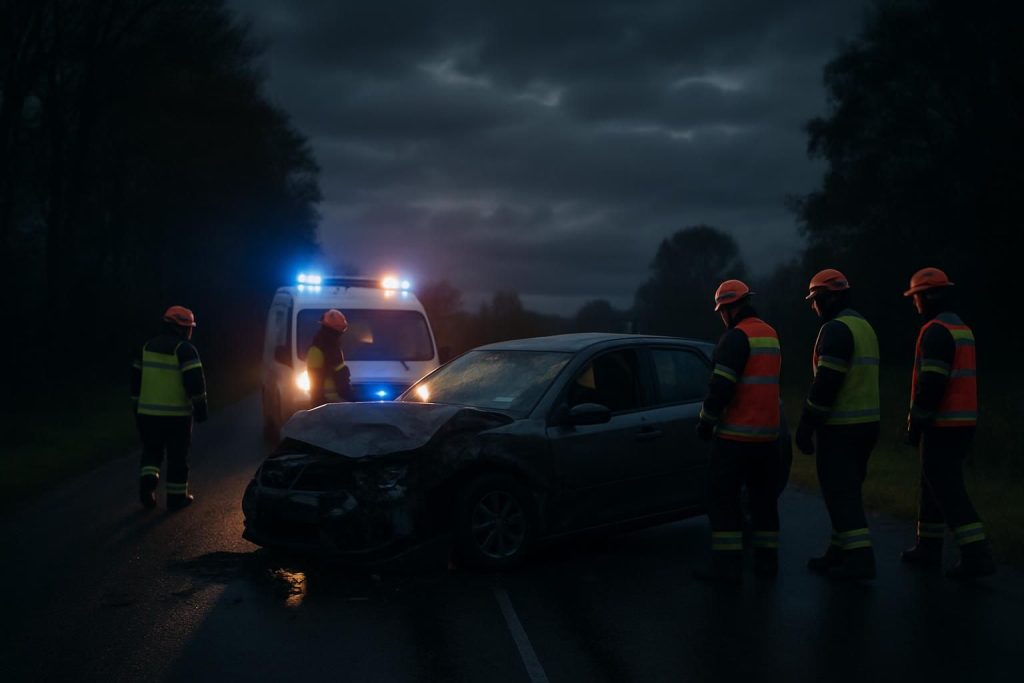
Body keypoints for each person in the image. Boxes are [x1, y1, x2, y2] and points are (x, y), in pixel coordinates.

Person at [902, 267, 994, 579]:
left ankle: (975, 554)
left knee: (946, 487)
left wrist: (917, 423)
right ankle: (927, 547)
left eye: (916, 297)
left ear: (926, 296)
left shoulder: (936, 331)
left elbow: (932, 384)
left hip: (944, 423)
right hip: (963, 421)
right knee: (932, 484)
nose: (914, 304)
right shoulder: (961, 328)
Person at [694, 280, 782, 583]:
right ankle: (767, 563)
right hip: (768, 439)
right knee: (763, 502)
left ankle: (727, 567)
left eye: (722, 311)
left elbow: (720, 388)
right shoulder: (770, 334)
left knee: (722, 501)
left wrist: (706, 421)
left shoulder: (735, 338)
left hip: (735, 439)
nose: (722, 316)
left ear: (730, 308)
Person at [797, 269, 880, 580]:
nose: (813, 307)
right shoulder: (864, 326)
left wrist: (807, 425)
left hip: (841, 428)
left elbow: (826, 383)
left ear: (828, 297)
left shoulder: (836, 329)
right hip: (867, 425)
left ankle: (860, 562)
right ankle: (839, 552)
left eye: (815, 300)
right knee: (847, 492)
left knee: (840, 494)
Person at [131, 306, 208, 510]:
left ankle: (147, 485)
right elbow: (196, 384)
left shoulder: (146, 347)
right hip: (177, 416)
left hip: (147, 414)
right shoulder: (185, 350)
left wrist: (136, 408)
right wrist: (201, 408)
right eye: (189, 328)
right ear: (182, 328)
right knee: (177, 457)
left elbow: (135, 383)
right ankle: (176, 499)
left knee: (151, 452)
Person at [306, 308, 354, 406]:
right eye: (340, 330)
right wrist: (353, 399)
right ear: (335, 329)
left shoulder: (320, 346)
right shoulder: (328, 347)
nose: (341, 334)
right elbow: (341, 377)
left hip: (327, 403)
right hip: (331, 403)